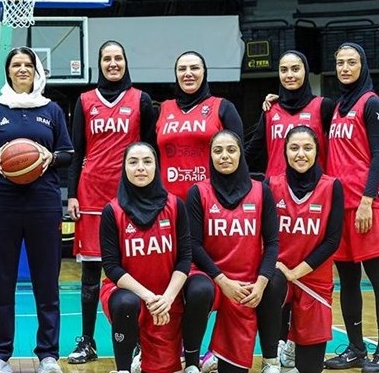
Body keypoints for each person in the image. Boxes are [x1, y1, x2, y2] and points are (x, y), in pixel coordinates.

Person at [0, 47, 73, 373]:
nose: (22, 69)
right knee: (2, 282)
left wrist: (50, 157)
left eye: (28, 64)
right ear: (8, 71)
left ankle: (48, 355)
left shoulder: (51, 110)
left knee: (47, 281)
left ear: (36, 70)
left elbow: (68, 153)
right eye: (16, 65)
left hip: (43, 202)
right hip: (1, 203)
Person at [65, 40, 156, 364]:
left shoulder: (141, 100)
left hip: (130, 196)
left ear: (125, 62)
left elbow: (150, 150)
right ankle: (87, 341)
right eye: (107, 58)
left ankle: (138, 341)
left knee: (134, 269)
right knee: (91, 275)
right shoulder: (85, 100)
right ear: (99, 63)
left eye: (118, 58)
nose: (113, 63)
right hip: (91, 194)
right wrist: (72, 193)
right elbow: (76, 150)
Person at [323, 42, 379, 373]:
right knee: (348, 280)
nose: (345, 68)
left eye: (351, 62)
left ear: (362, 65)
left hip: (367, 205)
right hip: (341, 206)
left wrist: (367, 199)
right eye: (340, 63)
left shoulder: (372, 103)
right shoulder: (338, 107)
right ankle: (355, 349)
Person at [181, 129, 279, 373]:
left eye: (231, 150)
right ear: (211, 156)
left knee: (275, 281)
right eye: (218, 151)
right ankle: (191, 363)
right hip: (209, 275)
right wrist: (222, 281)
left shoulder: (261, 191)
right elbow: (193, 245)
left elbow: (272, 243)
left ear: (240, 155)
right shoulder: (198, 192)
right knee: (199, 290)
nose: (224, 156)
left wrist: (260, 284)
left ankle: (270, 361)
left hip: (245, 282)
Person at [99, 142, 190, 373]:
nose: (140, 167)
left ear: (156, 167)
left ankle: (154, 356)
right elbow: (111, 267)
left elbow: (185, 258)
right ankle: (123, 368)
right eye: (133, 162)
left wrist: (167, 298)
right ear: (124, 168)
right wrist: (148, 297)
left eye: (147, 161)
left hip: (166, 297)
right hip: (129, 292)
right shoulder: (112, 211)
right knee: (126, 303)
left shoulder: (175, 205)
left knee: (162, 368)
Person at [267, 126, 344, 373]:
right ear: (285, 152)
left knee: (310, 368)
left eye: (307, 148)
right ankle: (273, 353)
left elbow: (332, 241)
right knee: (270, 284)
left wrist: (295, 272)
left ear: (317, 151)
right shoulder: (271, 185)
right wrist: (279, 269)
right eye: (294, 148)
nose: (301, 154)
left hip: (313, 280)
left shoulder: (332, 187)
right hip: (278, 276)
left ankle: (292, 344)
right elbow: (261, 235)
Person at [155, 51, 243, 200]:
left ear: (204, 72)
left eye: (194, 68)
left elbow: (240, 158)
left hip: (212, 201)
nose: (188, 73)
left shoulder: (223, 107)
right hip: (169, 202)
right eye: (182, 69)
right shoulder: (162, 109)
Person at [245, 50, 335, 178]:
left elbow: (338, 150)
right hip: (276, 187)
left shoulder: (323, 106)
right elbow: (251, 151)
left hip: (315, 186)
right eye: (283, 70)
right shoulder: (270, 109)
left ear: (306, 71)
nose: (289, 75)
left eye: (295, 69)